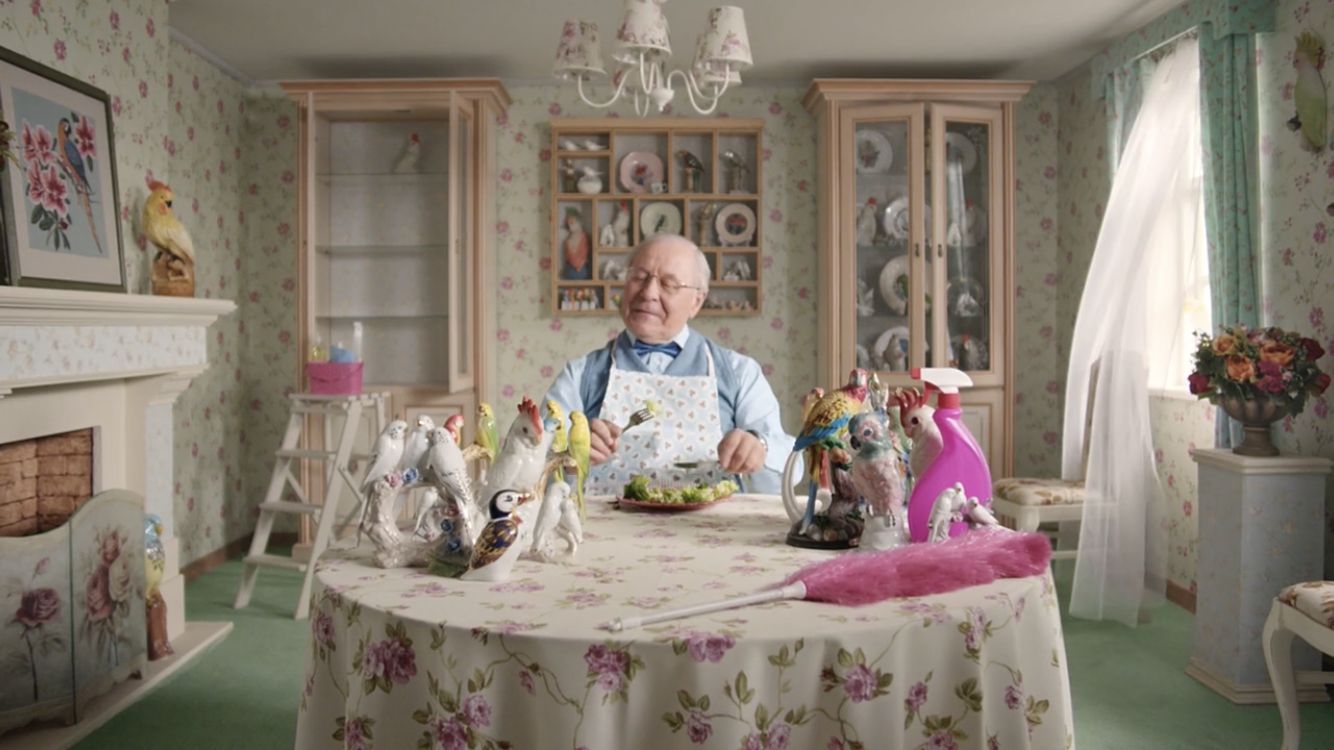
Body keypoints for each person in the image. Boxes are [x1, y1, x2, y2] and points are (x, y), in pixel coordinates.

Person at [544, 234, 798, 495]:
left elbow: (788, 465)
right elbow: (533, 460)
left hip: (711, 532)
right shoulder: (580, 374)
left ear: (696, 302)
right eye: (639, 278)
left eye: (669, 284)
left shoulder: (739, 372)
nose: (648, 293)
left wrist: (759, 448)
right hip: (609, 533)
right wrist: (569, 453)